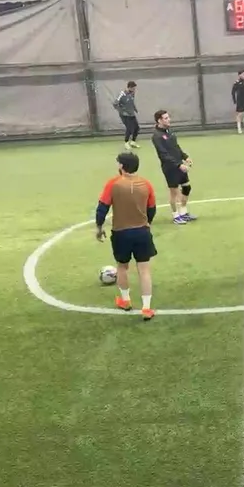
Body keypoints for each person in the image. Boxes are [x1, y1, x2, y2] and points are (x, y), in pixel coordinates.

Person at [94, 152, 158, 321]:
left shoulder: (113, 184)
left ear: (122, 166)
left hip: (121, 233)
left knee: (122, 267)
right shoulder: (146, 184)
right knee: (144, 270)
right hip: (142, 232)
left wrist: (99, 227)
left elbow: (102, 208)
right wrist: (147, 223)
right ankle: (146, 308)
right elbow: (152, 208)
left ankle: (125, 301)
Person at [150, 110, 196, 225]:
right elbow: (163, 154)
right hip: (170, 168)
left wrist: (185, 157)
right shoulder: (156, 136)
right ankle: (176, 215)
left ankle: (183, 212)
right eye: (165, 118)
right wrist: (178, 165)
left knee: (186, 187)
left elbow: (176, 147)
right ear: (159, 120)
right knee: (174, 192)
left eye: (168, 117)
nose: (168, 119)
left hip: (179, 164)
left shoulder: (169, 131)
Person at [113, 81, 141, 150]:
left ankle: (133, 142)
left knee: (136, 128)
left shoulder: (132, 93)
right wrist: (122, 111)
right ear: (129, 87)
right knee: (129, 128)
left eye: (135, 88)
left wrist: (135, 110)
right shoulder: (122, 94)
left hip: (131, 114)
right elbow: (115, 104)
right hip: (125, 115)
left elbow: (132, 102)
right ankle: (126, 143)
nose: (134, 90)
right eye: (133, 88)